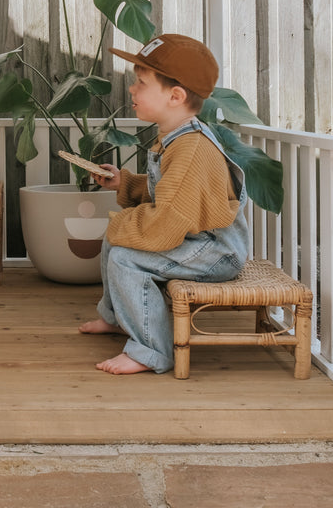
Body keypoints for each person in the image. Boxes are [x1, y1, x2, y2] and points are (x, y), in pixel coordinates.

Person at [79, 33, 249, 375]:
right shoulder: (176, 136)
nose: (131, 90)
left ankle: (151, 350)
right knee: (117, 240)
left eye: (141, 83)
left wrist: (121, 223)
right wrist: (124, 184)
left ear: (175, 96)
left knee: (126, 258)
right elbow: (172, 194)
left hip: (215, 250)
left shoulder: (190, 149)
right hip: (197, 239)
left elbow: (168, 221)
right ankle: (117, 319)